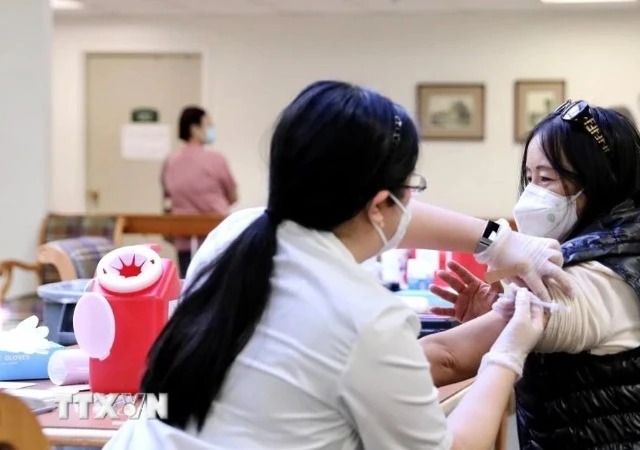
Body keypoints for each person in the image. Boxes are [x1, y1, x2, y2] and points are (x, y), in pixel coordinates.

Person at [103, 80, 560, 450]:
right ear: (378, 205)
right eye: (412, 187)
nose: (413, 202)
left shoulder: (235, 234)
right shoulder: (365, 316)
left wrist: (498, 241)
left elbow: (393, 221)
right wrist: (508, 355)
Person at [420, 100, 640, 449]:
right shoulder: (634, 244)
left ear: (602, 181)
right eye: (530, 178)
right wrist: (495, 317)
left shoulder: (593, 278)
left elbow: (447, 358)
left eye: (546, 178)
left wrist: (372, 358)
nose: (532, 193)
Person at [161, 106, 238, 278]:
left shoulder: (170, 161)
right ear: (195, 129)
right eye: (208, 125)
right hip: (216, 237)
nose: (211, 129)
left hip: (183, 238)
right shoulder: (216, 160)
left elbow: (167, 197)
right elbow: (233, 196)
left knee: (188, 284)